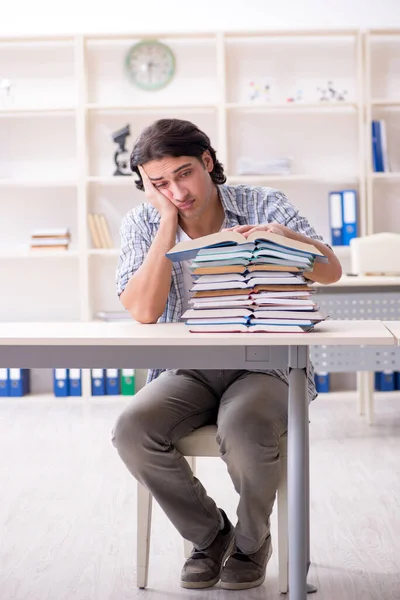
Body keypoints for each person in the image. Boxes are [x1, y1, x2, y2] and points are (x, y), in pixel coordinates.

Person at [112, 118, 342, 590]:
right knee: (132, 428)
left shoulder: (263, 203)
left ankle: (252, 543)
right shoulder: (143, 221)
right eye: (160, 183)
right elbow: (142, 311)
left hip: (266, 365)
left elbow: (331, 271)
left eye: (184, 173)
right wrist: (166, 227)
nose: (177, 190)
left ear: (208, 162)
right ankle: (212, 535)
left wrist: (287, 238)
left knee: (244, 427)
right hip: (187, 368)